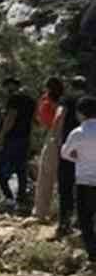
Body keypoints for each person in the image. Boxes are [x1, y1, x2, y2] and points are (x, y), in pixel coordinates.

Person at [60, 96, 96, 265]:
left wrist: (77, 157)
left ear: (80, 113)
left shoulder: (77, 133)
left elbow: (64, 153)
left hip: (85, 182)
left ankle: (93, 254)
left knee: (85, 219)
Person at [54, 75, 88, 236]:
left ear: (71, 85)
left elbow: (59, 116)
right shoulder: (90, 100)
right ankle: (84, 223)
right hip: (87, 149)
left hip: (69, 146)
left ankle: (64, 222)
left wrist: (57, 140)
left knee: (65, 184)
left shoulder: (66, 99)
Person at [0, 77, 35, 209]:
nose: (6, 89)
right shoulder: (30, 100)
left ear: (11, 86)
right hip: (25, 138)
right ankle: (21, 197)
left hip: (12, 138)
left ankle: (8, 197)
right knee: (21, 169)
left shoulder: (14, 99)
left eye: (7, 86)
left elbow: (10, 118)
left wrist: (1, 136)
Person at [33, 76, 65, 223]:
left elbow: (44, 120)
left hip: (53, 137)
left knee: (45, 176)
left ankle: (41, 211)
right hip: (67, 138)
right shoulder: (65, 102)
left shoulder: (47, 101)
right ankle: (62, 211)